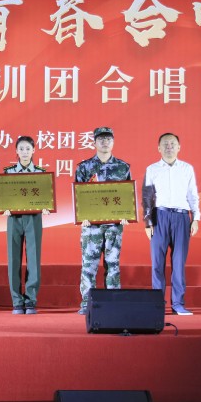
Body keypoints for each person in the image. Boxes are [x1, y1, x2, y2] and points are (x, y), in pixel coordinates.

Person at [142, 132, 201, 316]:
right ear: (159, 148)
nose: (169, 147)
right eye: (165, 144)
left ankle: (178, 304)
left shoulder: (187, 169)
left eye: (173, 144)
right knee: (157, 263)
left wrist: (196, 218)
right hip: (159, 217)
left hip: (181, 217)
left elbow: (193, 194)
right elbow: (147, 197)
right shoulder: (152, 169)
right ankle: (157, 305)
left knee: (179, 263)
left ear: (179, 147)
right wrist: (148, 222)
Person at [75, 127, 132, 315]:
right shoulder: (84, 167)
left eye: (108, 139)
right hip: (91, 226)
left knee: (113, 264)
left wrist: (126, 214)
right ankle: (87, 303)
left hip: (114, 226)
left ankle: (113, 303)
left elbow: (127, 196)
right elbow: (78, 195)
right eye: (101, 139)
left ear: (113, 142)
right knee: (89, 265)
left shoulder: (123, 167)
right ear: (94, 142)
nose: (105, 142)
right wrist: (82, 216)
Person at [3, 136, 51, 315]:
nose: (24, 152)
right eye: (21, 149)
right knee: (13, 259)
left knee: (34, 258)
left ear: (33, 151)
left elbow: (46, 196)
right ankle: (17, 301)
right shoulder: (8, 173)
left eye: (28, 149)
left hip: (33, 217)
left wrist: (46, 205)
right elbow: (2, 195)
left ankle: (30, 300)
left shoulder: (40, 174)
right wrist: (3, 206)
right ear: (16, 151)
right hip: (13, 218)